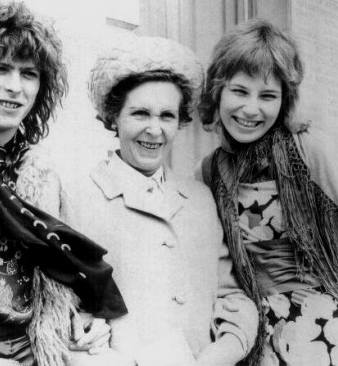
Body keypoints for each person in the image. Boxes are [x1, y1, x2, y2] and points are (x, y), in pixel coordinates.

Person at [0, 2, 128, 365]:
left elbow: (56, 287)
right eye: (0, 69)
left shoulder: (44, 176)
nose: (15, 87)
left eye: (28, 74)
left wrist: (83, 326)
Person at [60, 35, 259, 366]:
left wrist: (217, 356)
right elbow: (65, 316)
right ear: (113, 118)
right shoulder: (78, 198)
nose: (155, 130)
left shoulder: (199, 198)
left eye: (167, 116)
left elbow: (230, 295)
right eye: (140, 113)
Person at [197, 18, 338, 366]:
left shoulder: (309, 150)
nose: (251, 109)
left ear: (284, 101)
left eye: (267, 96)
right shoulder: (209, 171)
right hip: (253, 332)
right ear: (217, 91)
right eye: (239, 91)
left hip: (324, 328)